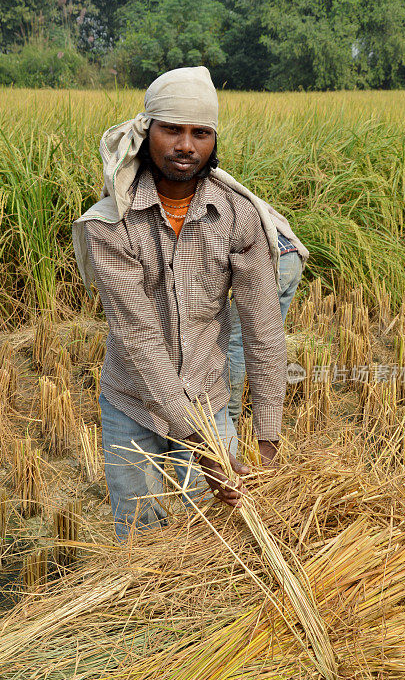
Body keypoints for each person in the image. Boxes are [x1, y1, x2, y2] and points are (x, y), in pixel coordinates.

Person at [73, 66, 304, 542]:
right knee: (140, 539)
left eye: (200, 133)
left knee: (214, 543)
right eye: (172, 130)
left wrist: (268, 442)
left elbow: (263, 334)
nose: (186, 145)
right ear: (147, 133)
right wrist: (206, 451)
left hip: (206, 397)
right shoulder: (110, 223)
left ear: (213, 140)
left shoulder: (238, 215)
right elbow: (138, 341)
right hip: (132, 404)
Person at [227, 230, 308, 426]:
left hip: (271, 263)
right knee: (270, 343)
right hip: (293, 257)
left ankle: (231, 416)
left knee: (236, 341)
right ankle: (268, 419)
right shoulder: (240, 202)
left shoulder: (213, 208)